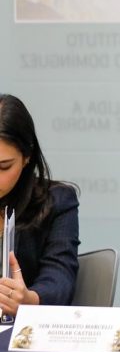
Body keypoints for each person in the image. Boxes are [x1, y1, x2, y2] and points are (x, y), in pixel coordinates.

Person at [0, 94, 80, 315]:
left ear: (27, 156)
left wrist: (29, 301)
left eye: (4, 167)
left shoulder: (56, 202)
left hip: (18, 331)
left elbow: (59, 277)